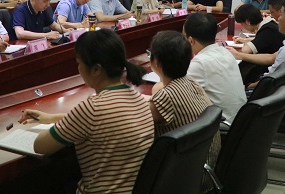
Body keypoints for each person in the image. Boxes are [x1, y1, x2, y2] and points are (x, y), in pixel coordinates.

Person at [18, 29, 153, 194]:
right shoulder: (139, 99)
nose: (78, 69)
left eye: (79, 63)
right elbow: (101, 120)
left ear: (96, 70)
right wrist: (52, 118)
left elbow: (40, 146)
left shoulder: (92, 108)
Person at [148, 30, 220, 193]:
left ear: (156, 62)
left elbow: (136, 116)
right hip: (206, 168)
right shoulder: (191, 82)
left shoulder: (166, 98)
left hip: (186, 177)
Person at [227, 0, 285, 88]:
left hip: (274, 94)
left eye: (281, 15)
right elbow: (272, 57)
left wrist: (246, 87)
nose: (277, 19)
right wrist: (239, 55)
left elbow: (268, 82)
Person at [183, 13, 246, 123]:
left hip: (222, 125)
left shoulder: (200, 63)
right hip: (240, 120)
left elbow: (176, 90)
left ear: (191, 40)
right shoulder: (225, 52)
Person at [233, 2, 285, 84]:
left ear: (247, 22)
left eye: (242, 24)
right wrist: (244, 40)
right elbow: (262, 40)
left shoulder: (267, 29)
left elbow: (245, 50)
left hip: (269, 74)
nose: (242, 27)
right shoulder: (269, 24)